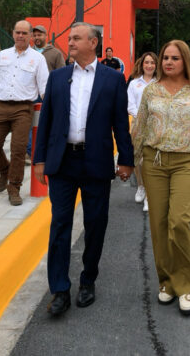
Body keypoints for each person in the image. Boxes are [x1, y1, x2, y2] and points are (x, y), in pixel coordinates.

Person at [33, 22, 134, 317]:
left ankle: (88, 279)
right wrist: (40, 159)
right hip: (63, 162)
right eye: (69, 38)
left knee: (96, 224)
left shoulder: (112, 79)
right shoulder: (58, 78)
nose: (71, 42)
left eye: (76, 38)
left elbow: (120, 124)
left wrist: (126, 159)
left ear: (93, 42)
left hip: (96, 162)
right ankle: (60, 289)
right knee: (60, 225)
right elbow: (47, 121)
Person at [132, 39, 190, 316]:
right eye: (165, 58)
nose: (168, 62)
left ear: (185, 61)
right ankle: (168, 282)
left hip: (187, 161)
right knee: (159, 224)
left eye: (174, 58)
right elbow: (139, 127)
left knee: (179, 221)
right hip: (154, 162)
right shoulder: (151, 91)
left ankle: (188, 286)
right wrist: (128, 161)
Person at [0, 20, 48, 206]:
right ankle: (4, 170)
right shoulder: (2, 56)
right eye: (17, 32)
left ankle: (14, 187)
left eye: (24, 33)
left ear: (30, 36)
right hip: (1, 106)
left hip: (23, 109)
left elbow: (44, 88)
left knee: (18, 149)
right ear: (13, 34)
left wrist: (50, 110)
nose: (20, 36)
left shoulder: (38, 59)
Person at [27, 25, 66, 164]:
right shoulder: (28, 53)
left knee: (45, 123)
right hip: (29, 94)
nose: (37, 38)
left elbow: (62, 73)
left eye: (40, 35)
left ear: (46, 36)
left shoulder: (55, 53)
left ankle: (45, 151)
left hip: (47, 94)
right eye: (35, 35)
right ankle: (30, 152)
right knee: (28, 123)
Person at [127, 51, 158, 212]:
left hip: (155, 126)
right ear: (142, 64)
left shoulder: (159, 83)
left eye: (152, 62)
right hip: (138, 125)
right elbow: (130, 103)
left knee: (149, 160)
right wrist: (140, 116)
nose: (149, 65)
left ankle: (149, 196)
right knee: (137, 160)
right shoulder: (134, 83)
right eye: (147, 62)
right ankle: (140, 186)